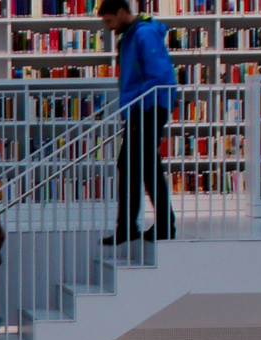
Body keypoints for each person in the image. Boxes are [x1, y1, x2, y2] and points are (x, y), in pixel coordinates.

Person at [100, 0, 177, 245]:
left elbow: (159, 75)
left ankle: (162, 225)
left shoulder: (144, 34)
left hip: (149, 107)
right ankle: (130, 227)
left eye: (110, 21)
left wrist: (139, 108)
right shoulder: (131, 37)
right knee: (132, 165)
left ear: (122, 12)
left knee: (145, 166)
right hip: (138, 110)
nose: (109, 28)